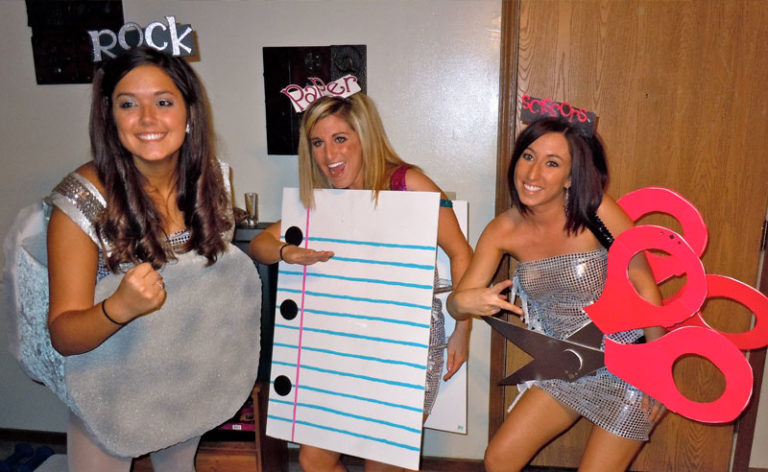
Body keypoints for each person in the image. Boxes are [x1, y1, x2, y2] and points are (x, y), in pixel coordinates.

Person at [41, 46, 261, 471]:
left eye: (163, 102)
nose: (147, 119)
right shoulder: (83, 199)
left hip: (181, 375)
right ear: (109, 116)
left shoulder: (212, 180)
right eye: (128, 104)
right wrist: (118, 308)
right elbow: (64, 335)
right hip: (107, 387)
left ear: (188, 111)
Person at [248, 92, 473, 472]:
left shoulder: (407, 183)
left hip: (406, 347)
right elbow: (259, 245)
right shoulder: (324, 201)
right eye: (317, 143)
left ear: (364, 137)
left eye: (340, 139)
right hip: (345, 345)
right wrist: (287, 252)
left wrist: (462, 330)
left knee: (382, 462)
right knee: (313, 459)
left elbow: (461, 253)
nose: (328, 154)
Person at [446, 117, 666, 472]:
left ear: (569, 178)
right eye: (528, 156)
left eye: (552, 163)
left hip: (629, 365)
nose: (533, 174)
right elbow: (458, 303)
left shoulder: (597, 212)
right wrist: (461, 303)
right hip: (567, 362)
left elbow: (645, 285)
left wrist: (658, 370)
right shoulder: (502, 230)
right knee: (499, 459)